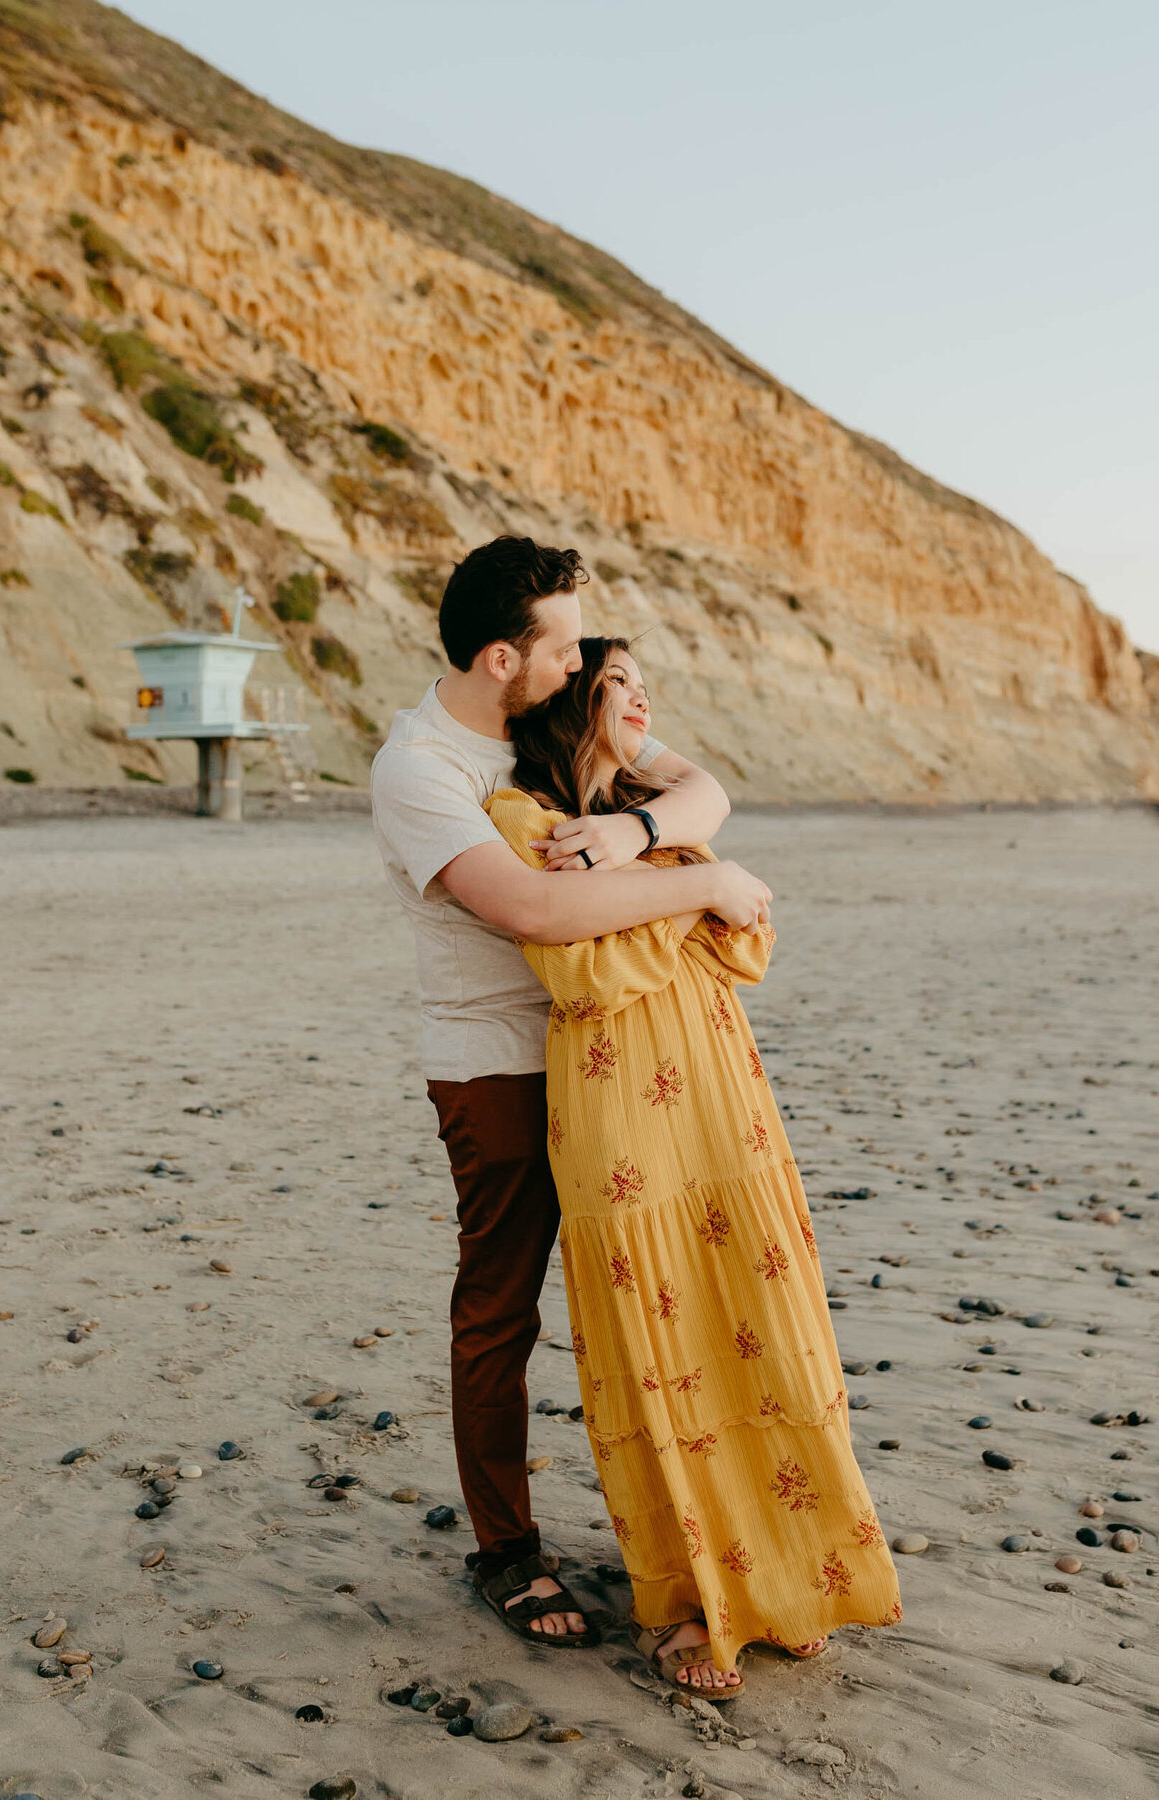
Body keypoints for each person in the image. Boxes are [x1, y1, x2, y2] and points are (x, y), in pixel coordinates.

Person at [370, 537, 774, 1645]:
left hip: (620, 1061)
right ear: (502, 658)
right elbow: (533, 912)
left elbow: (703, 785)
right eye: (560, 649)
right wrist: (709, 886)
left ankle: (695, 1535)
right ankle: (506, 1552)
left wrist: (640, 830)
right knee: (502, 1307)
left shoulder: (548, 709)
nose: (580, 664)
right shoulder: (421, 771)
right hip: (497, 1064)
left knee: (656, 1297)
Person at [481, 635, 903, 1694]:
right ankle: (690, 1603)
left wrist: (661, 857)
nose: (642, 703)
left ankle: (790, 1577)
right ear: (568, 699)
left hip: (725, 1098)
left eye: (646, 689)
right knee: (663, 1345)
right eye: (619, 684)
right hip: (620, 1109)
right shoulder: (525, 823)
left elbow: (746, 934)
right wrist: (700, 885)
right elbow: (585, 966)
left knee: (766, 1325)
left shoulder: (630, 821)